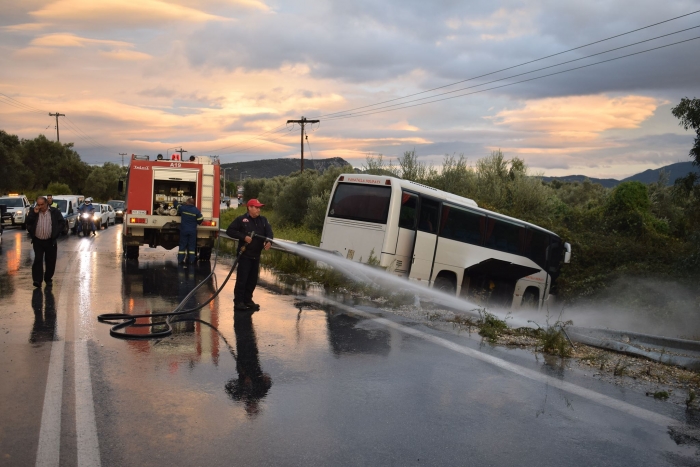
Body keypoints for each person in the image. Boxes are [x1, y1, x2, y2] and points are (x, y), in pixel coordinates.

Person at [226, 199, 273, 312]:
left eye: (259, 207)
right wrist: (243, 237)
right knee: (242, 279)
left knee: (252, 280)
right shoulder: (242, 220)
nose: (258, 209)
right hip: (244, 255)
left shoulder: (263, 220)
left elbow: (269, 233)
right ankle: (239, 302)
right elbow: (230, 231)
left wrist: (269, 241)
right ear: (249, 208)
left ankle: (248, 300)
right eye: (256, 207)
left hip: (256, 255)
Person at [26, 196, 65, 288]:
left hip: (50, 240)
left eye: (42, 204)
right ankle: (37, 280)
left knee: (50, 260)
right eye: (38, 204)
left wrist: (56, 232)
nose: (40, 207)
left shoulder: (54, 212)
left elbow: (62, 222)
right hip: (38, 240)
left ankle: (48, 279)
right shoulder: (34, 211)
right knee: (38, 260)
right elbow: (28, 222)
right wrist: (34, 214)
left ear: (46, 203)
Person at [177, 197, 203, 264]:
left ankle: (180, 260)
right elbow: (200, 219)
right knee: (191, 246)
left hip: (184, 230)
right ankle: (191, 260)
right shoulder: (196, 210)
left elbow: (177, 207)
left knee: (182, 245)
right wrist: (197, 222)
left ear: (187, 202)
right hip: (192, 231)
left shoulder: (183, 208)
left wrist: (175, 201)